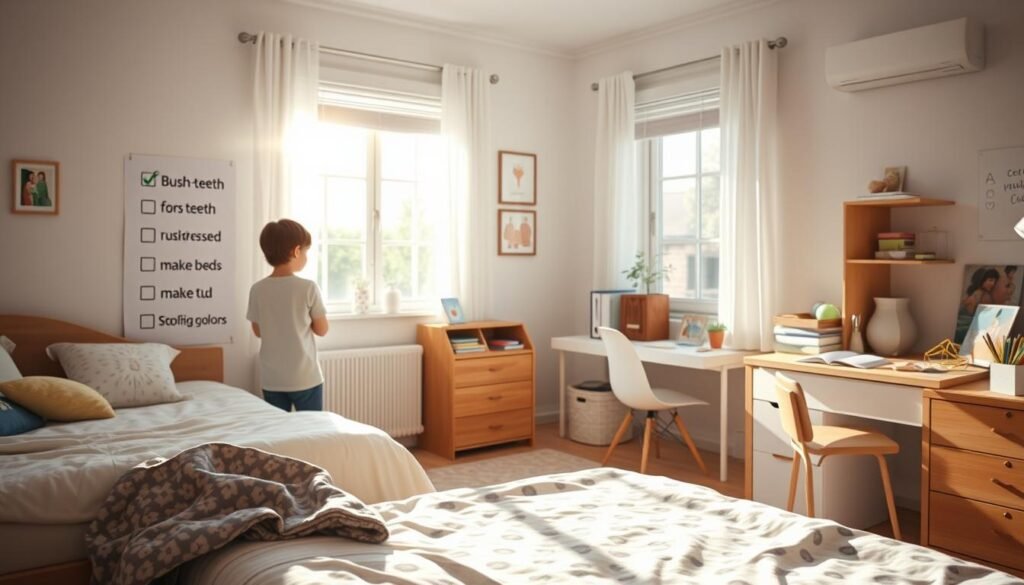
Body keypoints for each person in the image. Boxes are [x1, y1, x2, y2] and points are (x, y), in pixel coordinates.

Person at [247, 219, 329, 411]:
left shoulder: (257, 289)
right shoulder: (308, 288)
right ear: (296, 251)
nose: (306, 256)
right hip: (305, 378)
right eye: (306, 251)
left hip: (272, 380)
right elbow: (322, 330)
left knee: (280, 433)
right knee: (311, 430)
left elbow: (258, 331)